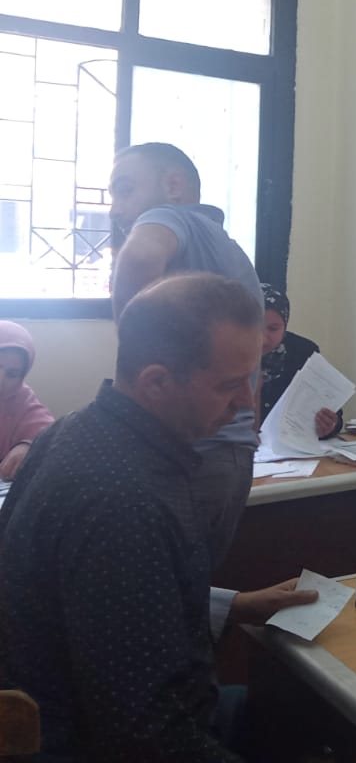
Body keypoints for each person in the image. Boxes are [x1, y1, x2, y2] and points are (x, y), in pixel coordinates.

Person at [0, 273, 318, 761]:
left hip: (116, 718)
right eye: (229, 385)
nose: (244, 401)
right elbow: (145, 738)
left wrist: (234, 606)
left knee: (298, 710)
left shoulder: (72, 431)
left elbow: (101, 598)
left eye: (251, 378)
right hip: (89, 745)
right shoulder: (125, 502)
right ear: (156, 382)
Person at [109, 142, 263, 568]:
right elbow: (252, 368)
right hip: (232, 451)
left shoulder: (167, 217)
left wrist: (133, 356)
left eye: (125, 189)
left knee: (157, 586)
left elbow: (139, 256)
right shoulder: (231, 254)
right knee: (189, 586)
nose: (116, 209)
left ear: (173, 186)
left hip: (189, 449)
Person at [260, 284, 342, 438]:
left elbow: (332, 410)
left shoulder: (303, 352)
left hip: (292, 448)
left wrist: (330, 425)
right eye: (255, 326)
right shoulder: (224, 355)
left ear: (285, 326)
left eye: (273, 329)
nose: (263, 338)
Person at [0, 321, 54, 480]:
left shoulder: (21, 398)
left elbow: (50, 432)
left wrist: (27, 445)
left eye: (12, 374)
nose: (0, 380)